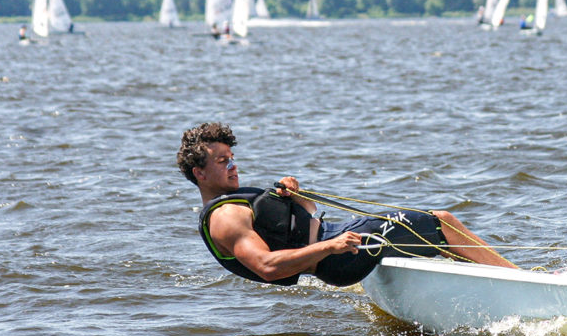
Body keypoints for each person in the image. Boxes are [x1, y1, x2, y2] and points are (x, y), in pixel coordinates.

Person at [177, 122, 517, 288]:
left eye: (233, 158)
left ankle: (484, 283)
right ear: (200, 174)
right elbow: (267, 266)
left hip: (336, 238)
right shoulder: (225, 218)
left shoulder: (235, 201)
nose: (233, 166)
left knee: (427, 236)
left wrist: (297, 196)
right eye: (223, 162)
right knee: (441, 222)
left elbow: (305, 218)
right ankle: (519, 280)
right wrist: (331, 245)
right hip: (336, 256)